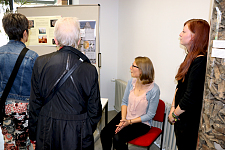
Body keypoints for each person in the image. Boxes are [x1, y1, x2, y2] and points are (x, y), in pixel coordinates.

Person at [28, 17, 102, 150]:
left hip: (47, 129)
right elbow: (95, 110)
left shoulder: (40, 63)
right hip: (78, 132)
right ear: (79, 41)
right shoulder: (90, 69)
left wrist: (34, 133)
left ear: (55, 40)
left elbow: (35, 103)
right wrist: (85, 128)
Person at [100, 56, 160, 150]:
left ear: (141, 70)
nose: (130, 68)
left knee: (118, 139)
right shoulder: (131, 82)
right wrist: (123, 119)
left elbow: (150, 115)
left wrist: (129, 122)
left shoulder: (154, 90)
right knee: (104, 133)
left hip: (141, 122)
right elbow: (124, 102)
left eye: (133, 66)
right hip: (126, 116)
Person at [168, 19, 210, 149]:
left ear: (194, 37)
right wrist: (172, 109)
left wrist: (175, 114)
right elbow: (179, 87)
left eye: (184, 31)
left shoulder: (200, 61)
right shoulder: (190, 57)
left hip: (188, 121)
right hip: (180, 116)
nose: (180, 34)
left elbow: (190, 97)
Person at [0, 13, 39, 149]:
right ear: (25, 33)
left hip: (4, 108)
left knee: (9, 143)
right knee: (24, 145)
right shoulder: (32, 57)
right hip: (25, 110)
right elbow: (37, 87)